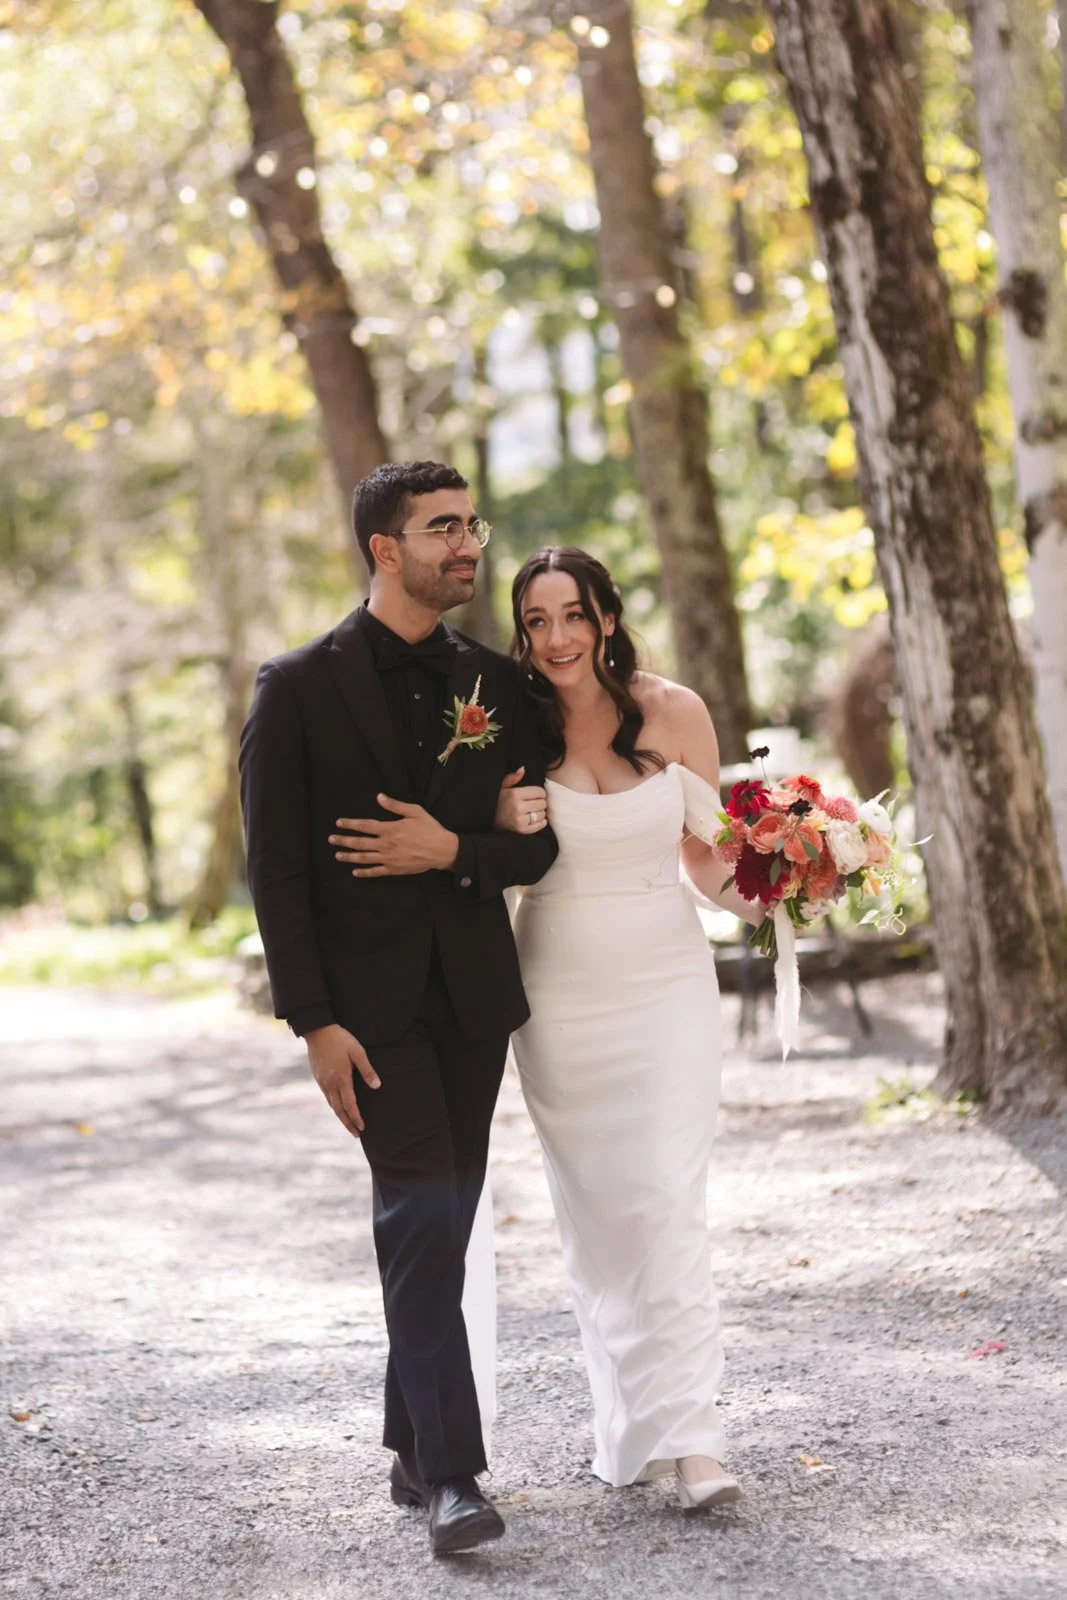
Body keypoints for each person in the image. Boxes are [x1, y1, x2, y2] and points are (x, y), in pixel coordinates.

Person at [239, 462, 557, 1556]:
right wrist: (311, 1020)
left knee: (447, 1221)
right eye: (442, 529)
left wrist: (454, 850)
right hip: (366, 1015)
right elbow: (274, 870)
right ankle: (454, 1480)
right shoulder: (296, 687)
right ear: (386, 548)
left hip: (472, 997)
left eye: (471, 525)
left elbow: (536, 839)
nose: (468, 546)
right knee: (418, 1216)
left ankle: (409, 1440)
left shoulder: (494, 683)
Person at [495, 545, 764, 1510]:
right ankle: (634, 1427)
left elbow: (708, 861)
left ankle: (696, 1445)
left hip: (666, 983)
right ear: (522, 632)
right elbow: (504, 869)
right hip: (561, 993)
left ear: (606, 617)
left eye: (573, 614)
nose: (557, 637)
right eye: (536, 621)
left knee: (664, 1196)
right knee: (606, 1217)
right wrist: (499, 817)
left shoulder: (676, 711)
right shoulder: (507, 725)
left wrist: (785, 892)